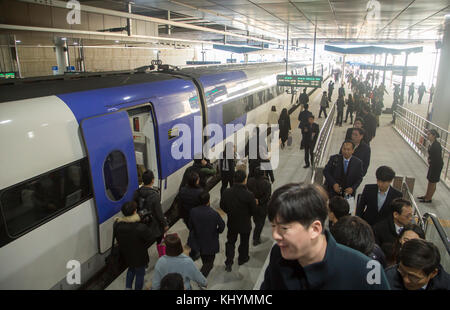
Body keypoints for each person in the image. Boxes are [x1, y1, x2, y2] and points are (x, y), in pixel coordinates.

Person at [260, 183, 390, 290]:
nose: (275, 235)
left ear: (315, 229)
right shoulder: (279, 254)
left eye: (284, 228)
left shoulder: (367, 271)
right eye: (273, 226)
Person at [220, 170, 257, 272]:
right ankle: (242, 258)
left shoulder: (226, 192)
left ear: (234, 179)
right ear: (245, 180)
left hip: (232, 223)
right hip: (245, 224)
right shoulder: (249, 195)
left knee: (230, 242)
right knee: (244, 242)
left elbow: (222, 206)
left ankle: (229, 262)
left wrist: (230, 212)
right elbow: (254, 211)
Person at [114, 201, 153, 290]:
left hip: (127, 255)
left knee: (131, 269)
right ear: (135, 211)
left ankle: (128, 288)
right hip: (140, 256)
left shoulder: (117, 225)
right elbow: (150, 238)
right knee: (140, 274)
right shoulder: (140, 227)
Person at [385, 239, 450, 290]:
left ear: (433, 273)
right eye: (402, 272)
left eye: (413, 277)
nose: (406, 280)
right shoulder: (387, 278)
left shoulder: (446, 285)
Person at [188, 191, 225, 277]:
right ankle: (201, 277)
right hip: (210, 241)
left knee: (204, 259)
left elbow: (190, 225)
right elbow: (222, 226)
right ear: (208, 201)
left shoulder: (193, 211)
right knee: (210, 263)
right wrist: (217, 231)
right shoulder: (214, 213)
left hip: (198, 241)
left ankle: (203, 271)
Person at [133, 170, 169, 244]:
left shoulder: (137, 192)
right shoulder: (154, 195)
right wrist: (165, 225)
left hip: (142, 222)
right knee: (160, 241)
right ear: (152, 180)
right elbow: (159, 213)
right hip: (154, 225)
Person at [247, 167, 272, 246]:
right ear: (263, 173)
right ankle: (256, 238)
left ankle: (256, 236)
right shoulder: (267, 183)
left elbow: (247, 192)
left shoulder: (250, 181)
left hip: (252, 206)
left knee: (256, 220)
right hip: (262, 207)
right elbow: (267, 196)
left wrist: (254, 200)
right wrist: (260, 201)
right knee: (260, 224)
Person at [417, 129, 444, 203]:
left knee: (433, 181)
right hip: (433, 165)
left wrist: (431, 160)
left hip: (436, 165)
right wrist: (429, 159)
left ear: (434, 136)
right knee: (430, 180)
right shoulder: (431, 143)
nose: (428, 136)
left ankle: (429, 198)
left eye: (429, 135)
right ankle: (426, 195)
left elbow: (437, 157)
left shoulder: (437, 145)